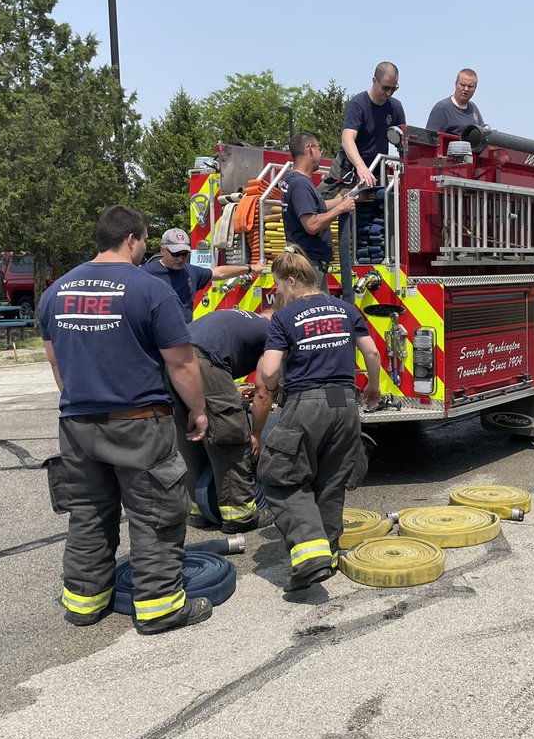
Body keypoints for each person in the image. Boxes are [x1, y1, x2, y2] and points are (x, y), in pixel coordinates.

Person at [39, 205, 214, 634]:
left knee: (88, 513)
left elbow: (57, 364)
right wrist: (198, 410)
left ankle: (84, 602)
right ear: (133, 239)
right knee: (155, 512)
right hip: (139, 422)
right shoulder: (150, 290)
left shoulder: (55, 292)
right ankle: (159, 608)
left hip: (78, 424)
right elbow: (182, 364)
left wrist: (82, 404)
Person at [252, 244, 381, 592]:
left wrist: (270, 382)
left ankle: (311, 557)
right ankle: (330, 552)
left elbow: (268, 369)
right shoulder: (345, 308)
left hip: (306, 402)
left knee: (281, 476)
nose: (277, 291)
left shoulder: (284, 317)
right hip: (344, 402)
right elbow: (370, 351)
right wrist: (372, 386)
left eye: (279, 284)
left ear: (292, 281)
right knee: (330, 479)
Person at [171, 307, 275, 534]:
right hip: (202, 360)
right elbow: (263, 390)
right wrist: (256, 434)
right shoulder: (273, 330)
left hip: (171, 362)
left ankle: (199, 511)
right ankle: (240, 515)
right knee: (229, 437)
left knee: (191, 435)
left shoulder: (239, 318)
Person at [280, 132, 358, 290]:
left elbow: (320, 205)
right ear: (310, 149)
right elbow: (312, 225)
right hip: (308, 265)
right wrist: (341, 209)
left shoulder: (293, 180)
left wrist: (351, 196)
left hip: (306, 263)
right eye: (319, 148)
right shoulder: (301, 184)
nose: (321, 153)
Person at [142, 227, 254, 321]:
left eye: (184, 253)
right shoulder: (145, 274)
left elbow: (219, 273)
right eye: (175, 254)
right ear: (162, 250)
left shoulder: (190, 271)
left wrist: (250, 268)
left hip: (184, 336)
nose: (180, 259)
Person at [340, 62, 406, 188]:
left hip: (377, 170)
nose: (389, 93)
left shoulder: (395, 107)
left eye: (393, 89)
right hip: (349, 169)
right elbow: (347, 139)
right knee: (332, 204)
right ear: (374, 80)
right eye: (385, 88)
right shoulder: (357, 104)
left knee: (381, 205)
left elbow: (404, 145)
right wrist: (361, 167)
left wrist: (403, 175)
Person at [425, 68, 486, 135]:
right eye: (463, 85)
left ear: (475, 88)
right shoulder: (442, 108)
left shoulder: (473, 108)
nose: (466, 89)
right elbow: (429, 139)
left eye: (470, 86)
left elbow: (483, 136)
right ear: (456, 84)